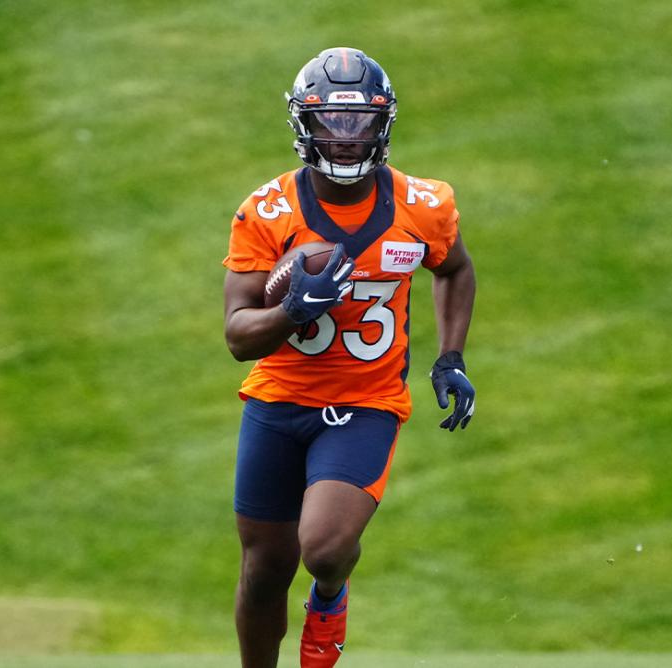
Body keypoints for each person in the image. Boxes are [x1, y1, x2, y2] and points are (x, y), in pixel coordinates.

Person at [222, 47, 477, 668]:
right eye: (329, 123)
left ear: (382, 124)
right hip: (278, 400)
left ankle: (330, 597)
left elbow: (456, 269)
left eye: (357, 122)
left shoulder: (425, 205)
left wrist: (451, 357)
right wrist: (291, 312)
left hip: (366, 402)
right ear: (303, 127)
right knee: (264, 568)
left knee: (325, 549)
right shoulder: (268, 210)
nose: (343, 138)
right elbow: (236, 334)